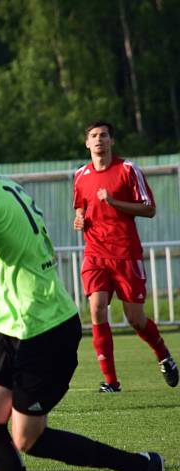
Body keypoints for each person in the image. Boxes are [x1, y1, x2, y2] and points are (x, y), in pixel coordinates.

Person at [0, 113, 164, 471]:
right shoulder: (6, 183)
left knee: (26, 436)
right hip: (18, 324)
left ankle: (140, 466)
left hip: (41, 329)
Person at [73, 121, 178, 392]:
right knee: (96, 309)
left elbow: (149, 209)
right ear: (87, 143)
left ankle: (163, 354)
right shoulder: (81, 175)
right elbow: (81, 209)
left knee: (135, 318)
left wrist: (113, 202)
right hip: (95, 253)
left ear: (111, 141)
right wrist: (79, 219)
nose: (99, 140)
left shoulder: (128, 170)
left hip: (125, 253)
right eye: (94, 136)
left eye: (104, 135)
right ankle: (111, 382)